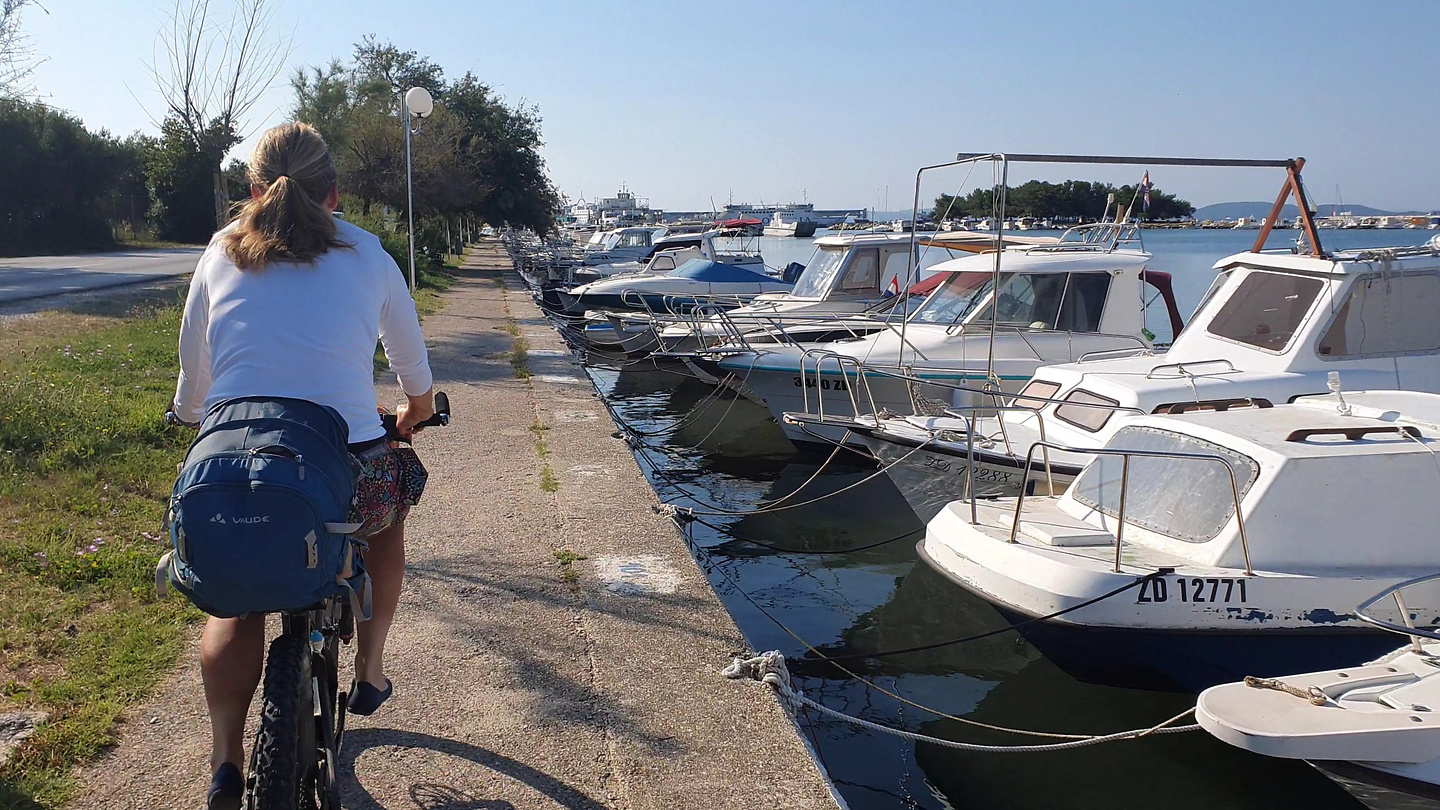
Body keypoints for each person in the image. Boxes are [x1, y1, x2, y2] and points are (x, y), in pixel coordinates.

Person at [170, 122, 434, 810]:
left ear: (253, 191)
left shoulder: (220, 251)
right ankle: (371, 669)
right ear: (335, 193)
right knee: (387, 515)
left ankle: (227, 759)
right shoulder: (368, 253)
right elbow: (416, 378)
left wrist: (199, 416)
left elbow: (193, 386)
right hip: (342, 461)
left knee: (236, 597)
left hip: (234, 452)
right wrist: (410, 417)